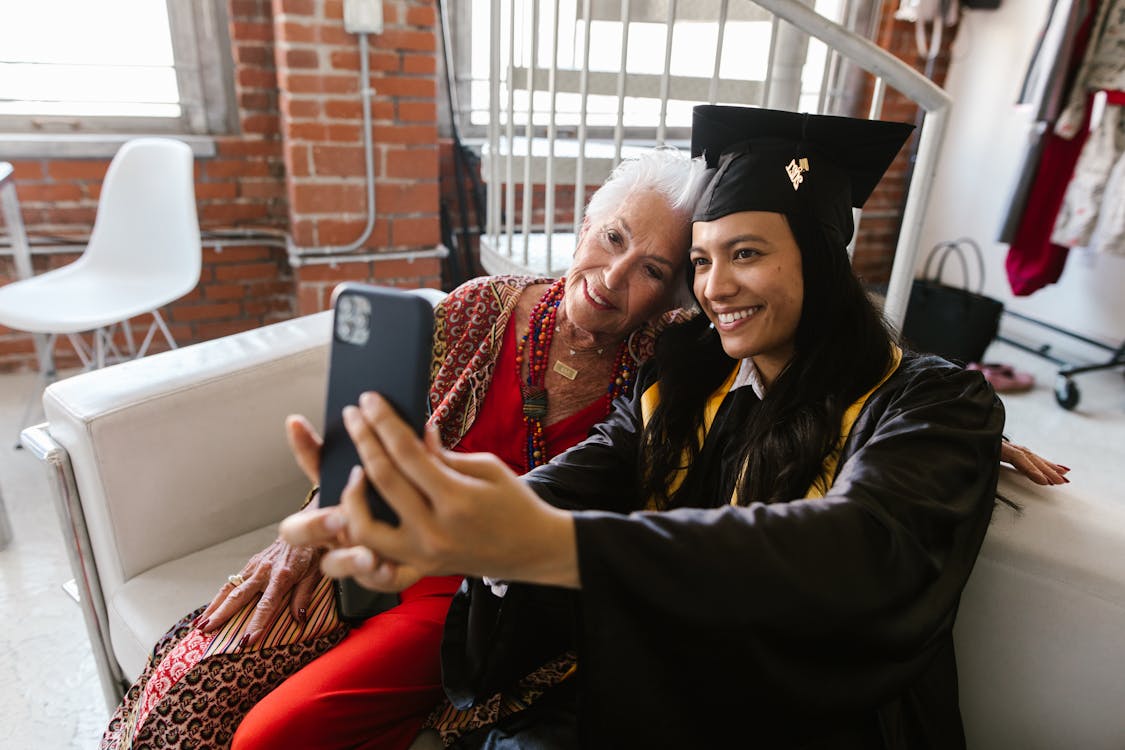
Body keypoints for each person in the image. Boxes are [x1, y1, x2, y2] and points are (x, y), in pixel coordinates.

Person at [280, 105, 1015, 749]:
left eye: (746, 254)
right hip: (657, 692)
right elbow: (585, 474)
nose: (714, 287)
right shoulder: (685, 376)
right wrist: (447, 523)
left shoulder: (934, 404)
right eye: (699, 261)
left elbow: (860, 550)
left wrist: (554, 544)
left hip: (813, 718)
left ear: (821, 263)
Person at [100, 147, 709, 750]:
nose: (612, 276)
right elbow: (371, 428)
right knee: (200, 673)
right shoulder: (481, 307)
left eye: (652, 270)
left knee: (267, 735)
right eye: (612, 237)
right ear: (583, 227)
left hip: (478, 597)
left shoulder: (666, 373)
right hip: (377, 539)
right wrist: (311, 521)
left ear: (676, 295)